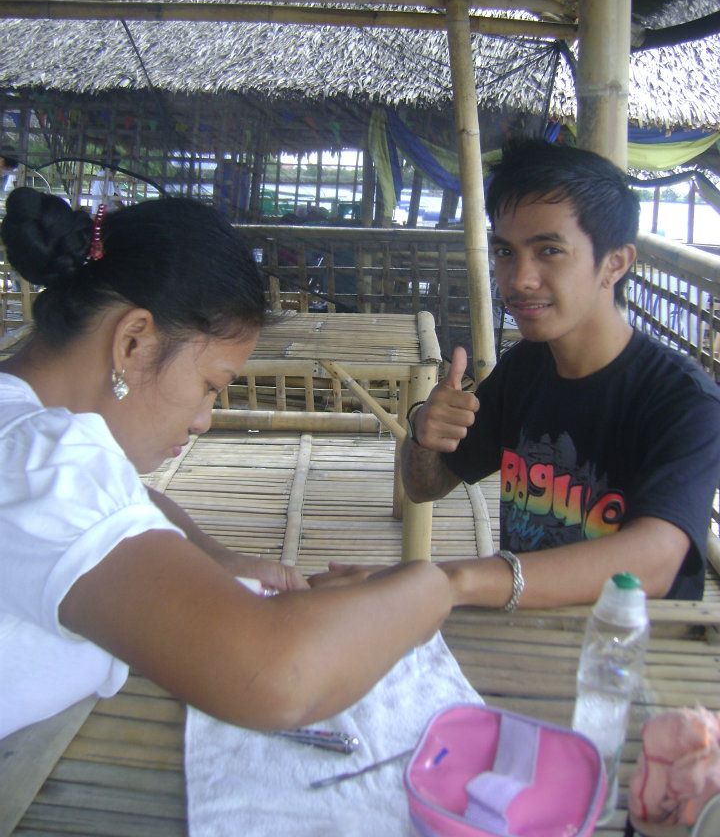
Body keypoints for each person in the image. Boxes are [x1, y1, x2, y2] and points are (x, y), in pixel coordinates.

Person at [0, 187, 457, 740]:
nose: (202, 420)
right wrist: (433, 587)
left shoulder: (22, 433)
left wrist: (211, 559)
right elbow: (277, 676)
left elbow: (132, 500)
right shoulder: (41, 460)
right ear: (133, 342)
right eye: (208, 386)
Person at [400, 139, 720, 608]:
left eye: (549, 250)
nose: (519, 279)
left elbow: (655, 561)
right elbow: (424, 486)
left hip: (627, 646)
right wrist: (423, 433)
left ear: (614, 264)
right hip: (529, 630)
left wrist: (456, 582)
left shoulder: (685, 402)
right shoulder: (525, 368)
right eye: (505, 252)